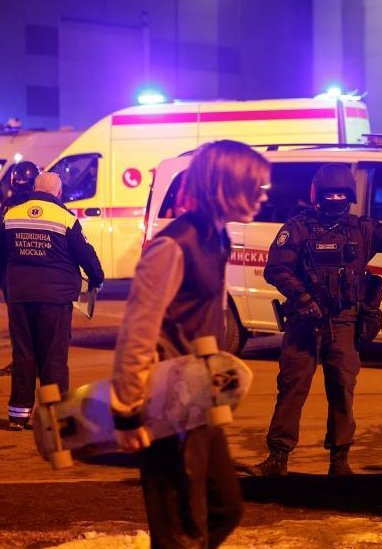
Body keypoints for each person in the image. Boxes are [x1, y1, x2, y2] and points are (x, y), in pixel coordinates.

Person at [110, 140, 269, 547]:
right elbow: (137, 332)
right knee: (181, 530)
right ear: (226, 185)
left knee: (224, 508)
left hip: (199, 395)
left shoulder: (217, 237)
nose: (264, 194)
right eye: (256, 185)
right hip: (166, 402)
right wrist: (127, 411)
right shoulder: (172, 245)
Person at [247, 163, 382, 477]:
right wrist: (302, 298)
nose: (335, 199)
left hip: (344, 322)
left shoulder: (362, 229)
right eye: (330, 194)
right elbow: (276, 268)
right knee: (291, 389)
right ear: (318, 195)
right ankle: (278, 458)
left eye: (341, 194)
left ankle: (339, 461)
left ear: (349, 196)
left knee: (342, 391)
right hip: (304, 323)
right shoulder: (298, 228)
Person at [1, 171, 103, 430]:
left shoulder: (11, 216)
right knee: (53, 358)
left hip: (20, 297)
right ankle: (55, 417)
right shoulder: (65, 218)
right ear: (58, 192)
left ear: (35, 189)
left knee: (24, 354)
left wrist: (8, 286)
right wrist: (96, 278)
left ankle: (19, 415)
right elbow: (85, 254)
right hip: (55, 300)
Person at [0, 160, 40, 378]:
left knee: (19, 323)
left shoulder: (8, 206)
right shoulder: (43, 207)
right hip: (37, 273)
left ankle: (22, 363)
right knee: (37, 321)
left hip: (12, 273)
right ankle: (37, 363)